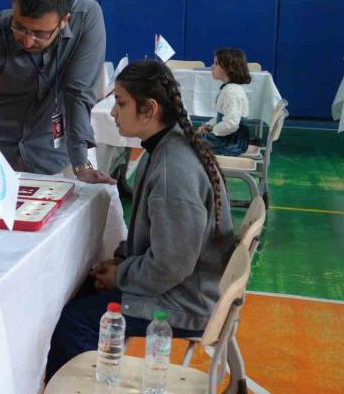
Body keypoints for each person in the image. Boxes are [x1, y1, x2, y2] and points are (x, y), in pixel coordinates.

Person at [45, 60, 235, 381]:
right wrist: (121, 262)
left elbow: (170, 266)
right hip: (184, 285)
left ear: (149, 110)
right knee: (79, 292)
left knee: (73, 322)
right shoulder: (163, 147)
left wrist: (121, 276)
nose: (113, 112)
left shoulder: (173, 171)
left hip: (185, 301)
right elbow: (158, 243)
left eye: (120, 104)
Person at [0, 0, 114, 184]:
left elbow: (78, 93)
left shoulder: (86, 18)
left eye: (40, 34)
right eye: (19, 27)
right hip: (0, 154)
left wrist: (81, 165)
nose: (28, 41)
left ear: (64, 20)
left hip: (57, 152)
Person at [196, 48, 252, 156]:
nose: (212, 67)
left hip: (231, 142)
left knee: (188, 142)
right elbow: (223, 117)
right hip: (228, 138)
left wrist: (212, 130)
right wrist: (208, 126)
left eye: (216, 64)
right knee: (191, 138)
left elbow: (231, 124)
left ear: (228, 68)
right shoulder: (230, 88)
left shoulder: (231, 91)